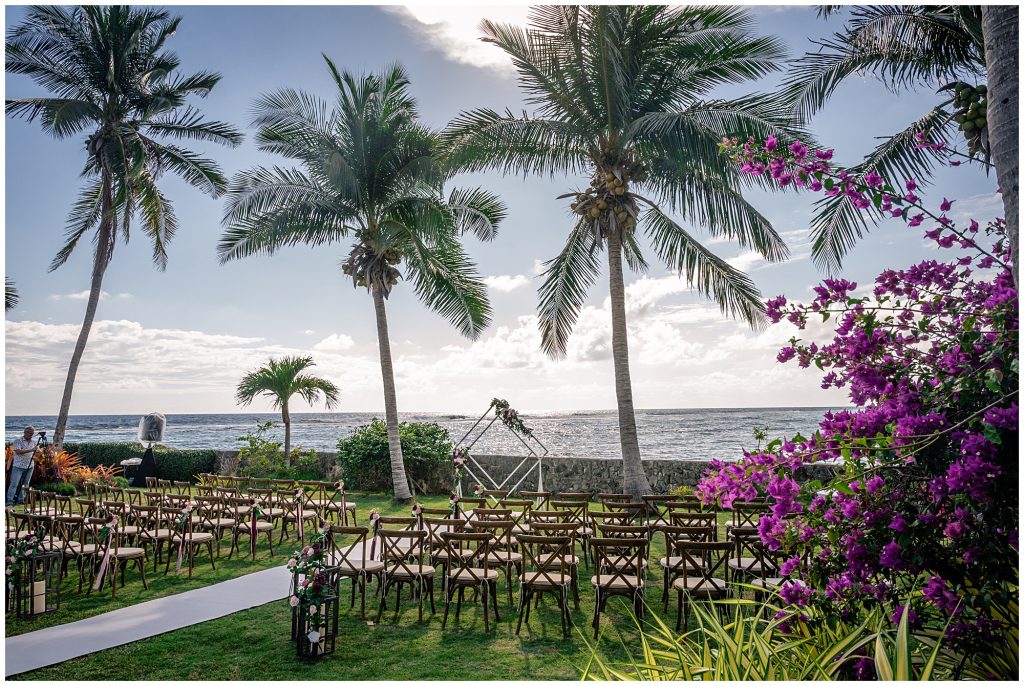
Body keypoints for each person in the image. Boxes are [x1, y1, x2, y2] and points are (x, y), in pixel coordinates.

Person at [7, 426, 39, 506]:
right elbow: (18, 451)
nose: (31, 435)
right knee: (14, 484)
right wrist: (31, 450)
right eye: (29, 433)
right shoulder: (17, 441)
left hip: (29, 466)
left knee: (25, 484)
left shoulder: (34, 442)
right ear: (25, 432)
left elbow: (38, 452)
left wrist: (41, 453)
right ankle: (10, 501)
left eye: (32, 433)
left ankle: (21, 500)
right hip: (18, 466)